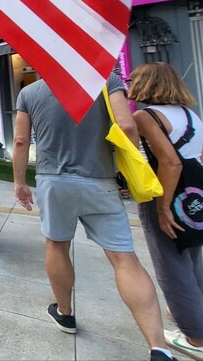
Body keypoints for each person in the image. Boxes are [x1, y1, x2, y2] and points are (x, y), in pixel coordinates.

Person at [13, 73, 173, 361]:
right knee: (124, 258)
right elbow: (127, 125)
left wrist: (19, 182)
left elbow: (21, 140)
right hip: (100, 179)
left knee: (57, 245)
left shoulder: (30, 92)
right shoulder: (106, 80)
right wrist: (128, 169)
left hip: (53, 180)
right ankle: (158, 346)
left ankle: (64, 312)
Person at [128, 62, 203, 361]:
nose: (129, 84)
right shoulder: (191, 115)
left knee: (170, 266)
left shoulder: (146, 116)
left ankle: (195, 339)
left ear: (147, 83)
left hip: (165, 192)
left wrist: (163, 207)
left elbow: (171, 162)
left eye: (133, 80)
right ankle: (195, 319)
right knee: (191, 260)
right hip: (195, 195)